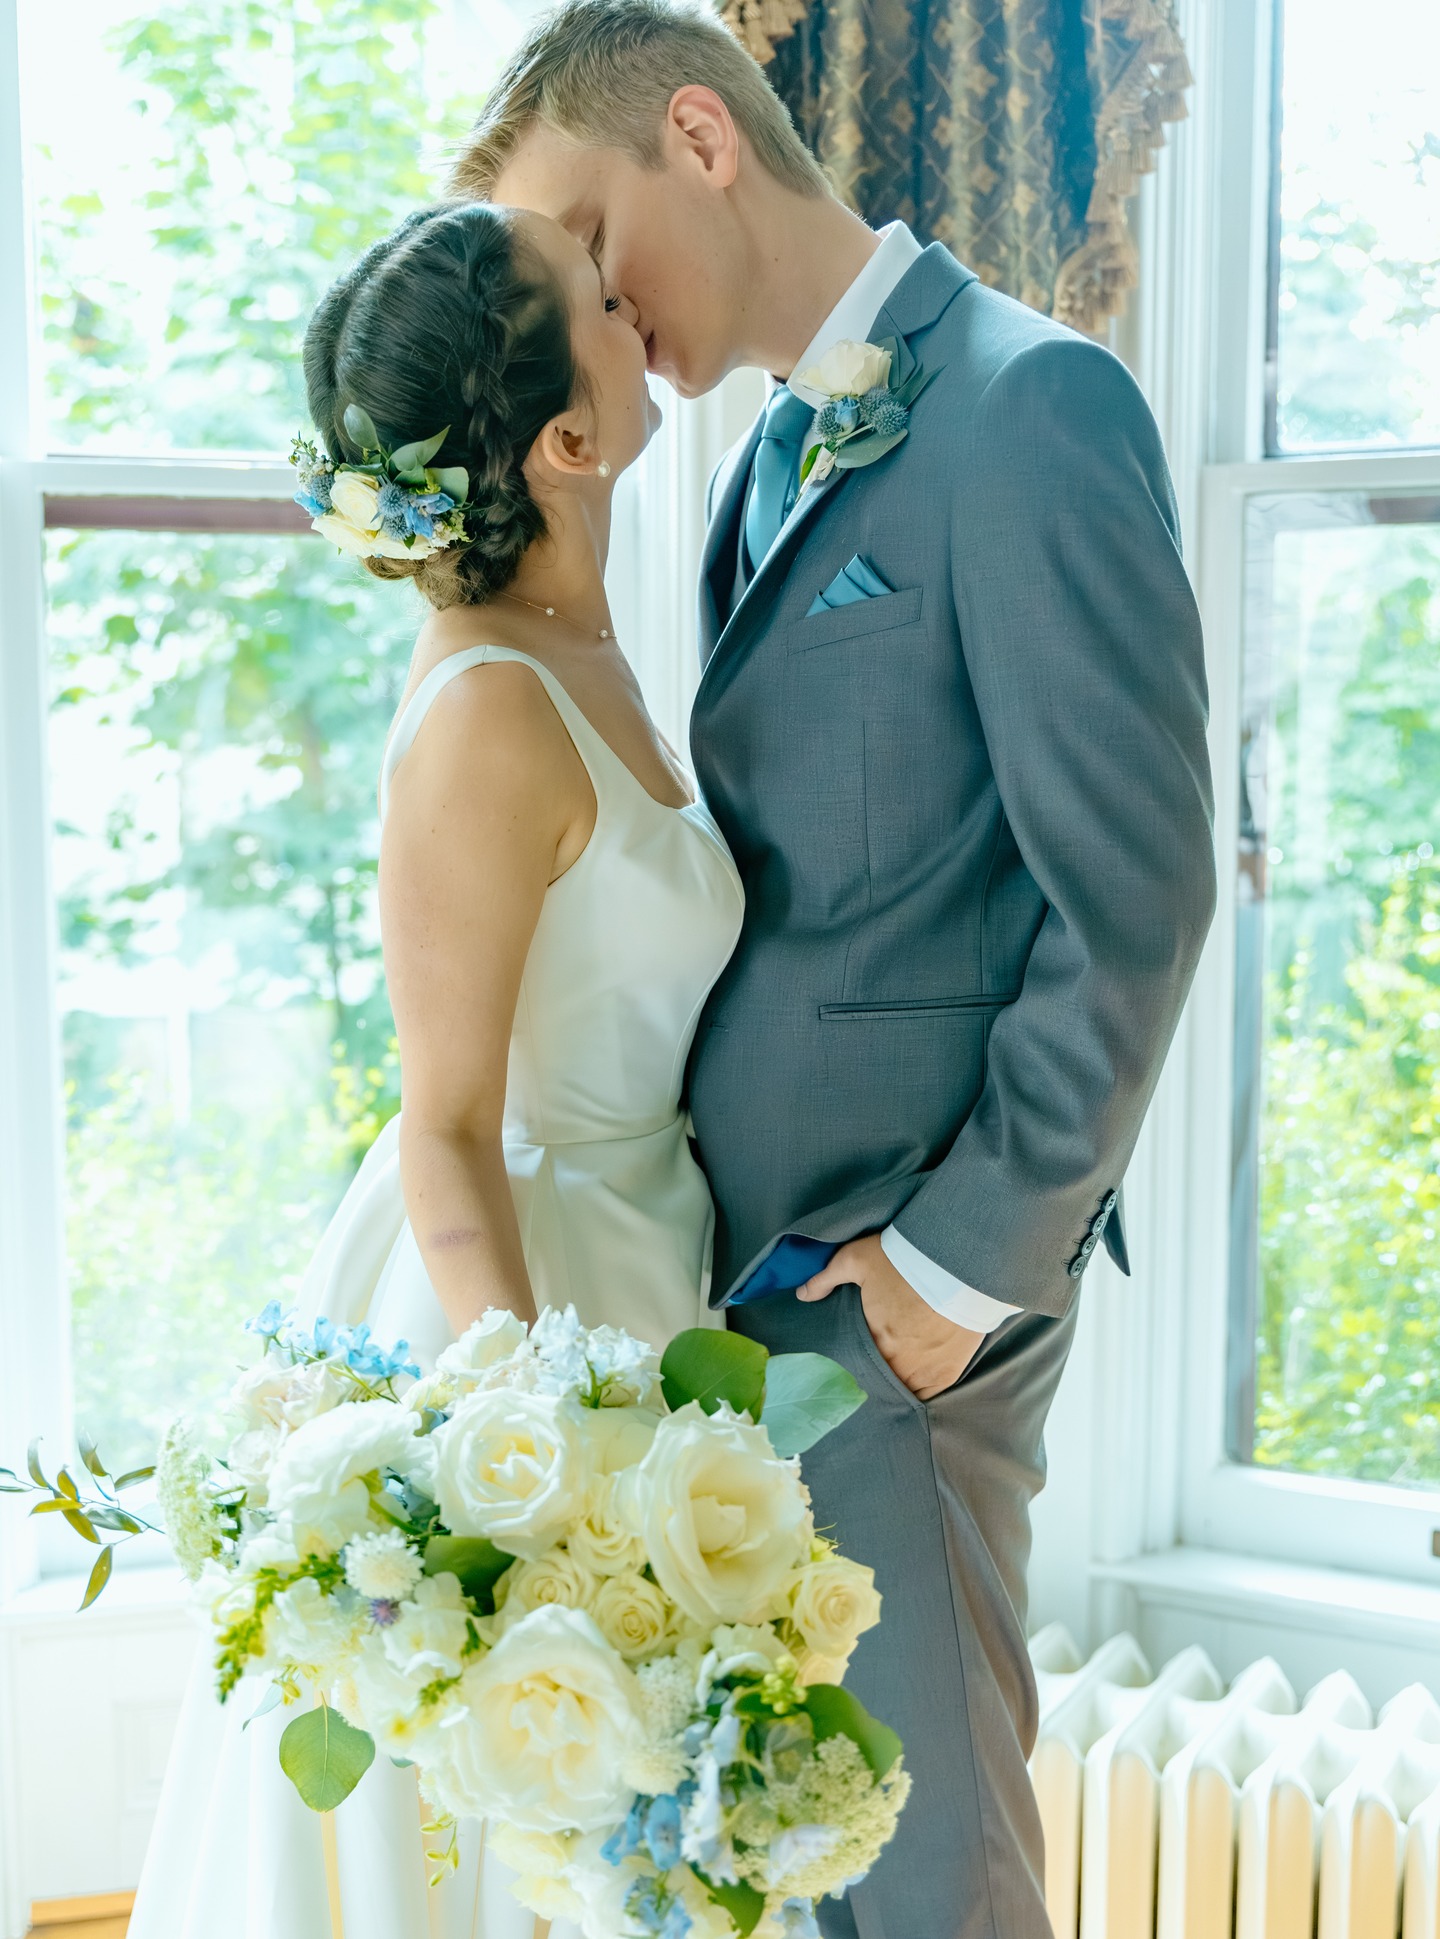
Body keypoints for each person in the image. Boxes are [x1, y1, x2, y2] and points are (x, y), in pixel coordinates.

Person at [454, 3, 1217, 1935]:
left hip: (899, 1324)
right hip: (739, 1309)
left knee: (934, 1884)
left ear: (699, 135)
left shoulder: (1035, 405)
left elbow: (1134, 895)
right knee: (808, 1892)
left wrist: (960, 1276)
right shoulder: (754, 467)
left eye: (588, 251)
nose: (590, 327)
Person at [127, 200, 743, 1939]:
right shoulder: (485, 713)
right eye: (608, 304)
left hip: (641, 1246)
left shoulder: (590, 647)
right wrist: (528, 1433)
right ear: (565, 438)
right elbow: (449, 1121)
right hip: (514, 1299)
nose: (642, 309)